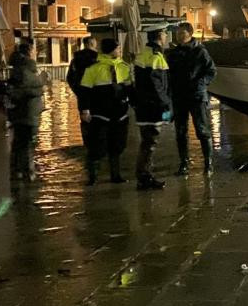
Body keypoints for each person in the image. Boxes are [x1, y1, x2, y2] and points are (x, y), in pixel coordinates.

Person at [78, 38, 133, 185]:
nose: (120, 51)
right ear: (111, 50)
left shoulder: (124, 67)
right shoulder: (93, 69)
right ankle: (93, 177)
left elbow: (129, 90)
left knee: (117, 146)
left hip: (120, 113)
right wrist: (85, 110)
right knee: (97, 146)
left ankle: (115, 175)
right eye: (118, 48)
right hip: (100, 114)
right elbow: (84, 92)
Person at [167, 22, 217, 176]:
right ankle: (184, 163)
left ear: (190, 34)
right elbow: (169, 75)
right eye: (178, 33)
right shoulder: (173, 53)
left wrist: (200, 84)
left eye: (182, 33)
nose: (179, 36)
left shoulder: (200, 51)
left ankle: (208, 163)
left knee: (202, 130)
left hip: (196, 96)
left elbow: (211, 71)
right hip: (179, 96)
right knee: (180, 131)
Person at [132, 29, 171, 190]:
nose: (166, 36)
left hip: (143, 106)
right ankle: (144, 177)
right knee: (150, 142)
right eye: (164, 33)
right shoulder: (155, 56)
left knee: (147, 142)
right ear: (159, 36)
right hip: (152, 107)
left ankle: (145, 176)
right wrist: (166, 104)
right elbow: (156, 85)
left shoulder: (144, 54)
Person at [7, 40, 46, 182]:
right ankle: (28, 172)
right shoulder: (28, 69)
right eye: (34, 50)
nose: (36, 53)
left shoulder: (17, 70)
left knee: (19, 142)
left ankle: (18, 170)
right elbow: (36, 87)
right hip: (29, 113)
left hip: (21, 113)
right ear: (30, 51)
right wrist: (42, 81)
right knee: (28, 143)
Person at [67, 36, 98, 143]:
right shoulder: (97, 59)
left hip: (82, 96)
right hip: (97, 95)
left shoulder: (75, 60)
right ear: (92, 44)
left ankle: (87, 143)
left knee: (85, 121)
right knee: (98, 120)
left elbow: (70, 78)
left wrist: (78, 91)